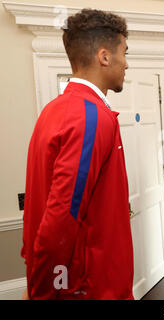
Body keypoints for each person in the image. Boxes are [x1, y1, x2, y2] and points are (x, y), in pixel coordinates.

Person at [21, 9, 134, 300]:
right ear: (104, 57)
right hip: (90, 287)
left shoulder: (54, 110)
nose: (126, 63)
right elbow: (61, 217)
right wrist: (41, 291)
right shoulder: (91, 117)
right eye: (124, 53)